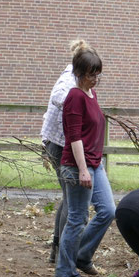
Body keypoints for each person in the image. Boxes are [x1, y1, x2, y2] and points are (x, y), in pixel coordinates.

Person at [55, 47, 114, 277]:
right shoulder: (74, 97)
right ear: (79, 73)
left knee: (109, 211)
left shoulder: (91, 94)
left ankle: (82, 255)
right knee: (77, 219)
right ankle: (64, 271)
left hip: (95, 164)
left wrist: (93, 165)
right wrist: (81, 169)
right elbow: (74, 136)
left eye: (97, 74)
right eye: (91, 74)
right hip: (77, 165)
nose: (95, 79)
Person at [40, 39, 94, 264]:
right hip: (59, 145)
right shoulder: (68, 78)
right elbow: (58, 96)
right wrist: (77, 104)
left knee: (68, 199)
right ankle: (64, 253)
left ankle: (58, 248)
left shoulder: (78, 79)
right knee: (73, 204)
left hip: (62, 143)